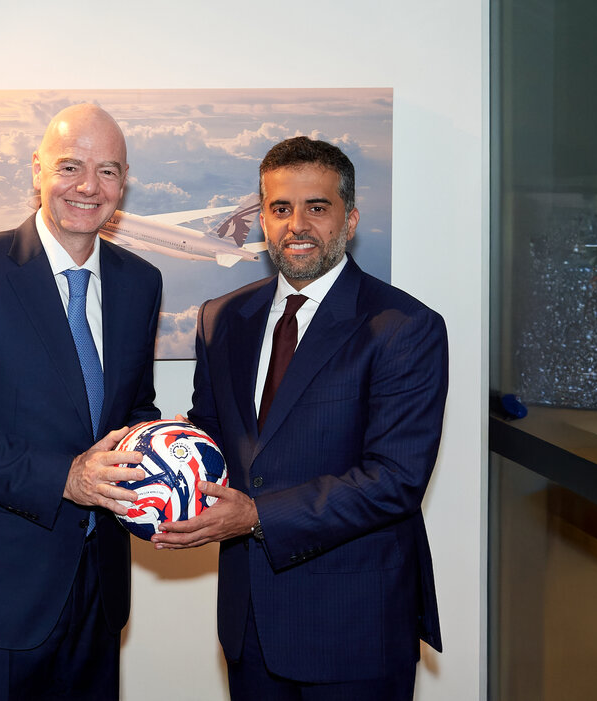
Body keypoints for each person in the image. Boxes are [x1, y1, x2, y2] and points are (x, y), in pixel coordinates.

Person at [152, 136, 448, 700]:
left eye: (317, 206)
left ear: (350, 218)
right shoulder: (222, 319)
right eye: (280, 208)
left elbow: (395, 481)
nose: (297, 224)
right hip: (250, 623)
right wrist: (159, 453)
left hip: (355, 626)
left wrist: (256, 516)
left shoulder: (404, 327)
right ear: (262, 218)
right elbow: (214, 437)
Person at [0, 103, 162, 700]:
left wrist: (163, 463)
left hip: (99, 587)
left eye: (107, 171)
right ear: (37, 170)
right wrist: (64, 478)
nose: (87, 187)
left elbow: (133, 409)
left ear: (123, 182)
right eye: (70, 166)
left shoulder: (140, 281)